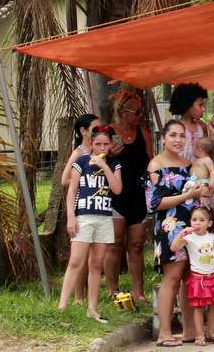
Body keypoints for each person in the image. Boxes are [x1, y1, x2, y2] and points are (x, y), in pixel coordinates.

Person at [147, 120, 204, 347]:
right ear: (163, 138)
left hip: (192, 227)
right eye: (173, 135)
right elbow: (154, 202)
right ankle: (165, 332)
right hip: (169, 228)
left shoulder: (189, 165)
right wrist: (185, 197)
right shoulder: (155, 165)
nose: (178, 140)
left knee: (190, 277)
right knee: (172, 278)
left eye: (182, 136)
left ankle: (190, 330)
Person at [57, 126, 123, 323]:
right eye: (97, 144)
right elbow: (72, 190)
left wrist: (104, 166)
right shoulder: (81, 162)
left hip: (104, 217)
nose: (101, 147)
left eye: (105, 143)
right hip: (84, 216)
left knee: (96, 264)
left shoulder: (114, 164)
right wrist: (71, 216)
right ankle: (62, 306)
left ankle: (92, 308)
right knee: (76, 261)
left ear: (111, 144)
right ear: (91, 144)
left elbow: (117, 189)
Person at [106, 89, 152, 305]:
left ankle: (138, 292)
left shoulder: (142, 132)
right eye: (136, 111)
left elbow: (151, 161)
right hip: (116, 194)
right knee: (115, 244)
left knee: (136, 244)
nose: (140, 115)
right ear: (122, 112)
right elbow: (96, 161)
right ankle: (112, 290)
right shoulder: (109, 133)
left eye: (140, 111)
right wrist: (109, 155)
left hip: (137, 194)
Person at [170, 206, 214, 346]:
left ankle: (211, 332)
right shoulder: (189, 238)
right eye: (194, 220)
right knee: (199, 307)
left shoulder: (211, 236)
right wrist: (181, 234)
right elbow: (174, 248)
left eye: (202, 220)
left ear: (209, 223)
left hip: (213, 276)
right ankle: (200, 335)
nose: (197, 223)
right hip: (199, 278)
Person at [170, 82, 214, 161]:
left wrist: (213, 134)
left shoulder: (202, 127)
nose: (203, 109)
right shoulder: (174, 129)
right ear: (188, 105)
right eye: (200, 105)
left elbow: (209, 156)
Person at [185, 136, 214, 213]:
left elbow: (212, 171)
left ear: (199, 149)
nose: (192, 150)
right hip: (194, 185)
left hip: (203, 184)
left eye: (193, 147)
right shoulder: (197, 160)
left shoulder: (207, 159)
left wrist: (212, 182)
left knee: (204, 206)